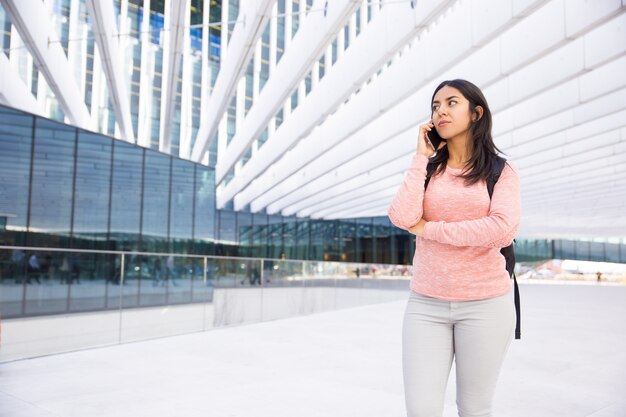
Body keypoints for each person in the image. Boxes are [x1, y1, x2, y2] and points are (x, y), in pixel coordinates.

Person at [388, 79, 521, 417]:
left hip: (486, 305)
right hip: (425, 304)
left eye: (451, 102)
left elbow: (501, 230)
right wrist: (421, 157)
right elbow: (402, 217)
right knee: (421, 409)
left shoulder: (499, 171)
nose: (441, 111)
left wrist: (431, 229)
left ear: (476, 113)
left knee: (474, 408)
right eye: (435, 106)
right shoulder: (429, 169)